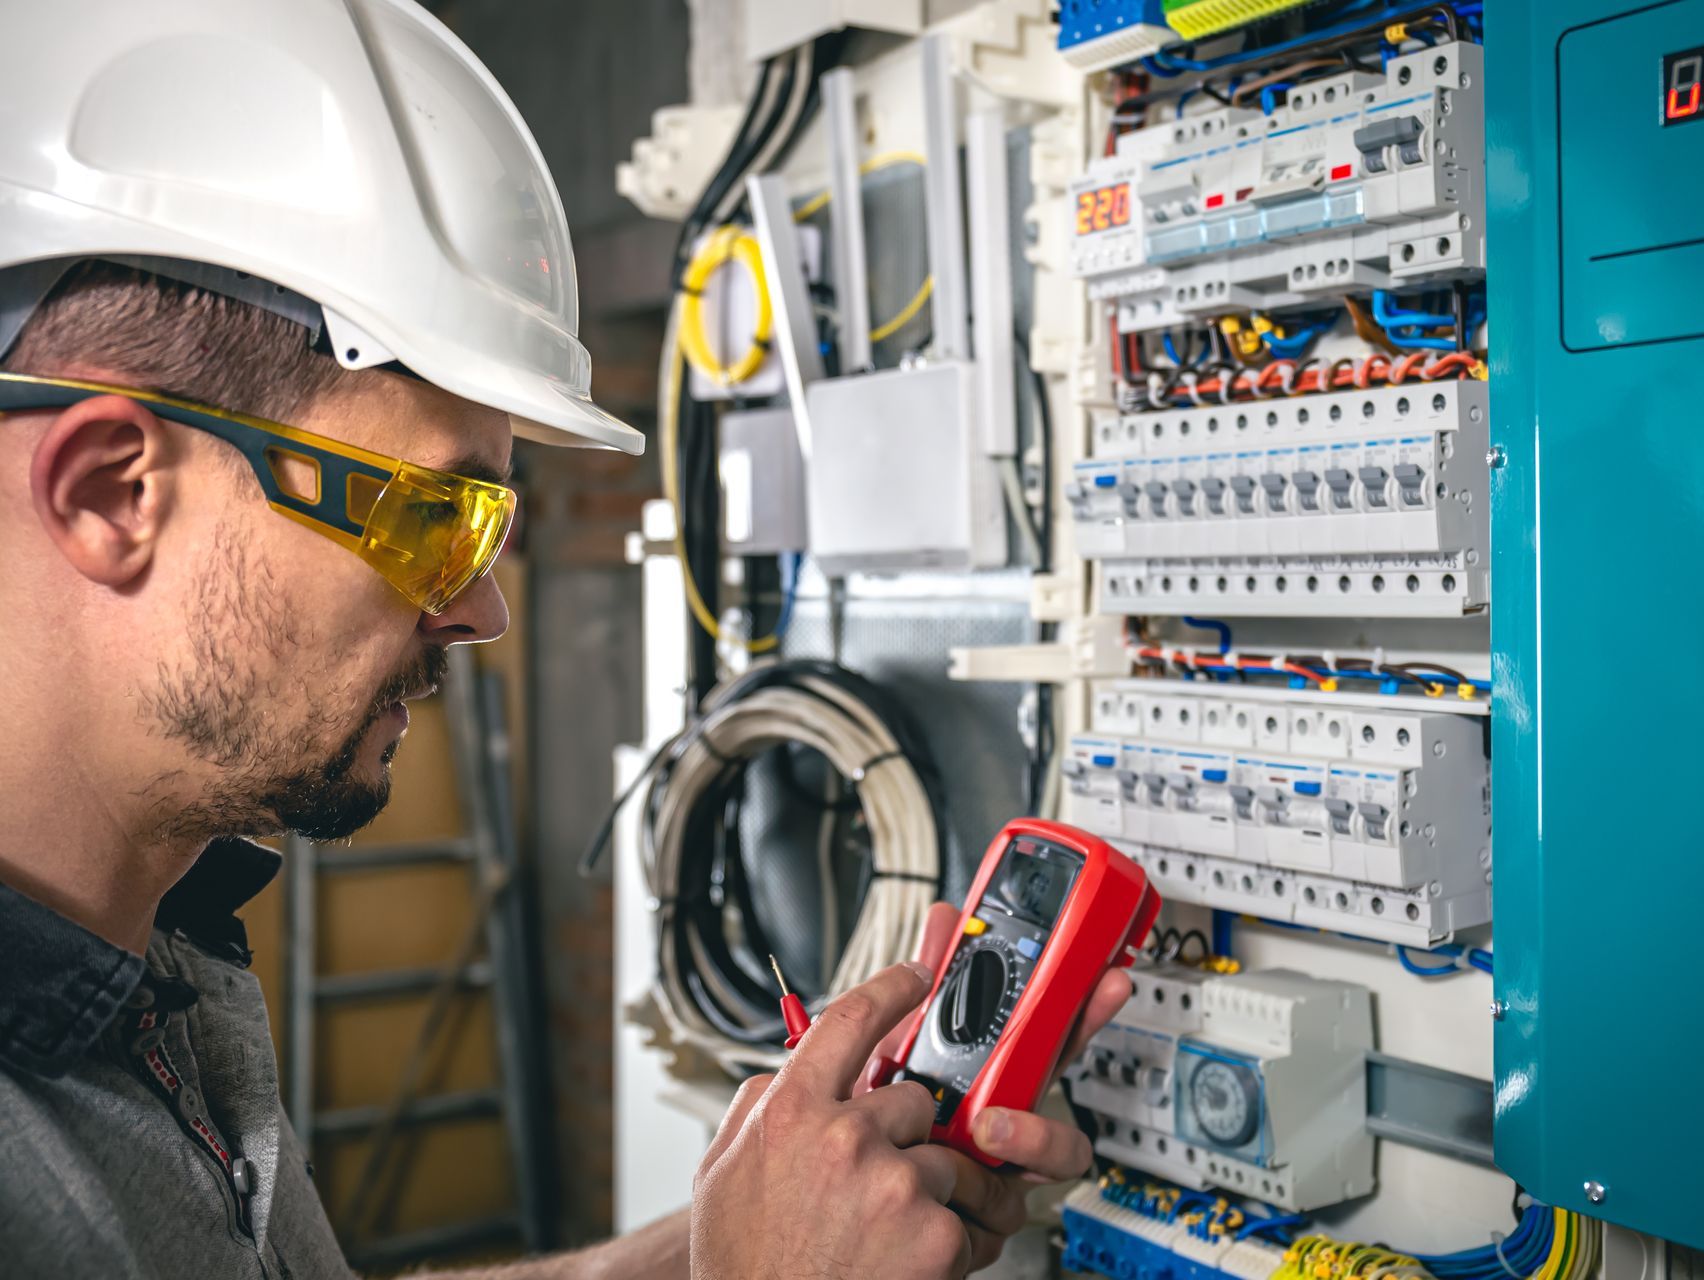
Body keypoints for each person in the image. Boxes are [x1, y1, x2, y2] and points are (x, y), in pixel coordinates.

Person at [0, 2, 1131, 1277]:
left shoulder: (160, 947)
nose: (478, 608)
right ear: (112, 492)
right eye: (434, 514)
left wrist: (740, 1234)